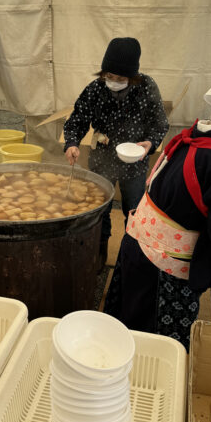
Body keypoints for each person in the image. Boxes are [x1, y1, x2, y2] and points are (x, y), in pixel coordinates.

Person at [104, 59, 211, 351]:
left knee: (125, 332)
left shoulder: (204, 133)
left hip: (137, 251)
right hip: (162, 277)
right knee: (154, 351)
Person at [63, 37, 168, 269]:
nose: (112, 82)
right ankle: (99, 254)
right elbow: (77, 120)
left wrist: (150, 143)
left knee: (134, 212)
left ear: (133, 76)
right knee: (99, 210)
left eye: (120, 79)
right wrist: (71, 143)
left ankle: (132, 258)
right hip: (102, 159)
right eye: (108, 76)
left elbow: (160, 124)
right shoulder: (96, 88)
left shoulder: (146, 87)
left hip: (135, 162)